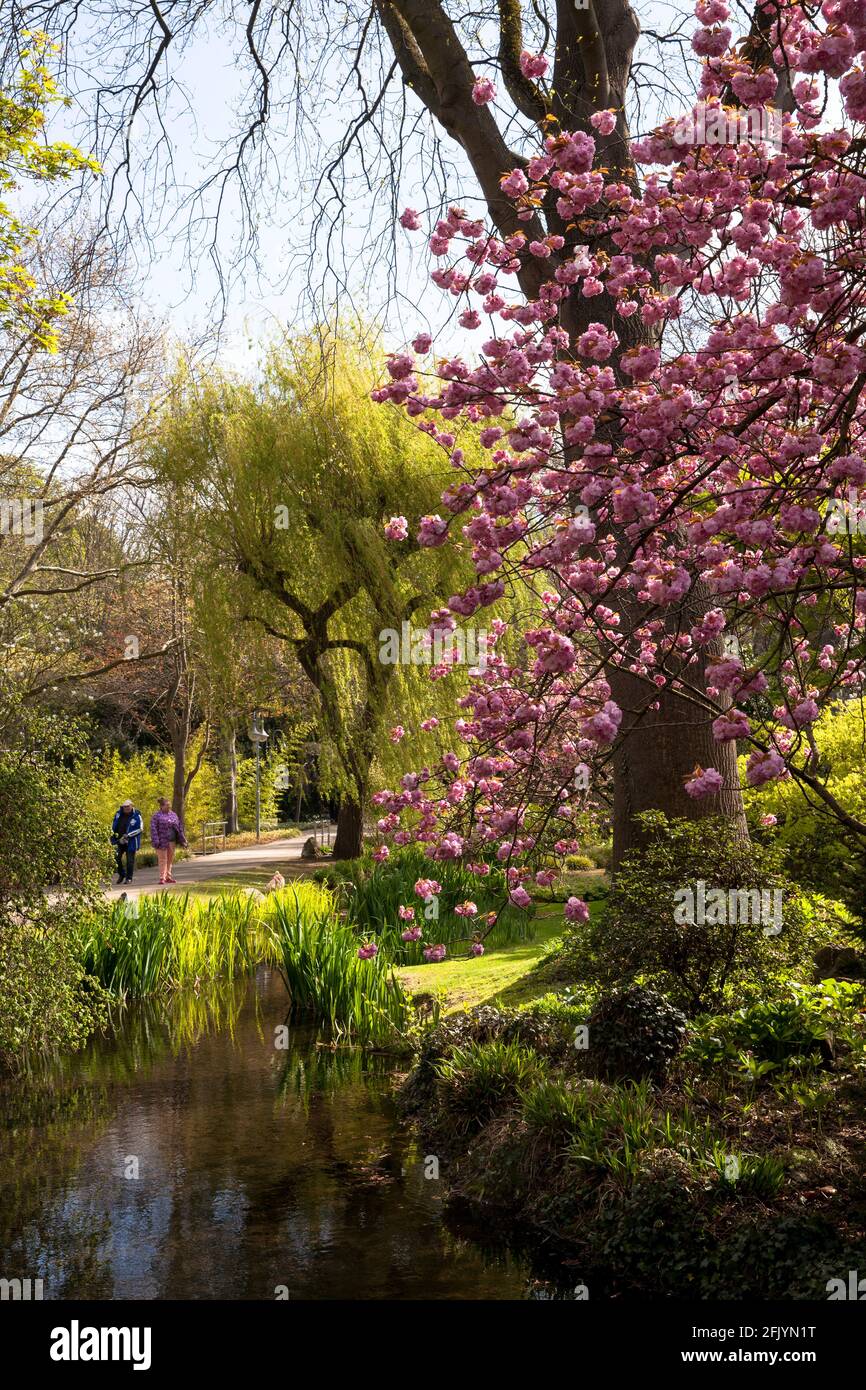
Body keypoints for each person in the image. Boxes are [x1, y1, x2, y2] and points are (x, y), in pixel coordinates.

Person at [150, 797, 188, 885]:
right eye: (167, 805)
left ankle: (168, 876)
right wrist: (156, 840)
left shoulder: (173, 815)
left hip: (172, 840)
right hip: (161, 841)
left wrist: (183, 839)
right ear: (161, 806)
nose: (168, 806)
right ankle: (162, 878)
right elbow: (153, 829)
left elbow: (179, 828)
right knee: (163, 859)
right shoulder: (156, 816)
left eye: (169, 805)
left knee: (170, 859)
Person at [110, 799, 143, 884]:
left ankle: (129, 878)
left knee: (130, 861)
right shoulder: (118, 814)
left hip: (131, 841)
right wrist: (111, 836)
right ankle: (122, 874)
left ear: (132, 806)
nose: (126, 808)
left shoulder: (137, 815)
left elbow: (140, 829)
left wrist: (128, 835)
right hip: (119, 841)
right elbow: (113, 825)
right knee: (116, 858)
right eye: (125, 807)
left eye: (128, 806)